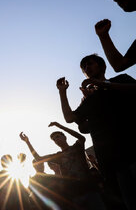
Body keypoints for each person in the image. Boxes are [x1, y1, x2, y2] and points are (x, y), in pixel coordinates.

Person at [56, 53, 136, 209]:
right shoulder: (89, 99)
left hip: (132, 149)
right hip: (111, 161)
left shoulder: (120, 80)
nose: (87, 68)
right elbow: (70, 117)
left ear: (102, 66)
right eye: (85, 67)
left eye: (90, 64)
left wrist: (103, 84)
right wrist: (62, 92)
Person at [19, 122, 106, 210]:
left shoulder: (77, 147)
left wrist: (60, 126)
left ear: (64, 137)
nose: (56, 139)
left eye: (58, 137)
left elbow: (81, 137)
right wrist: (27, 142)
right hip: (75, 195)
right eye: (54, 139)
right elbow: (38, 158)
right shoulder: (58, 156)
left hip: (90, 190)